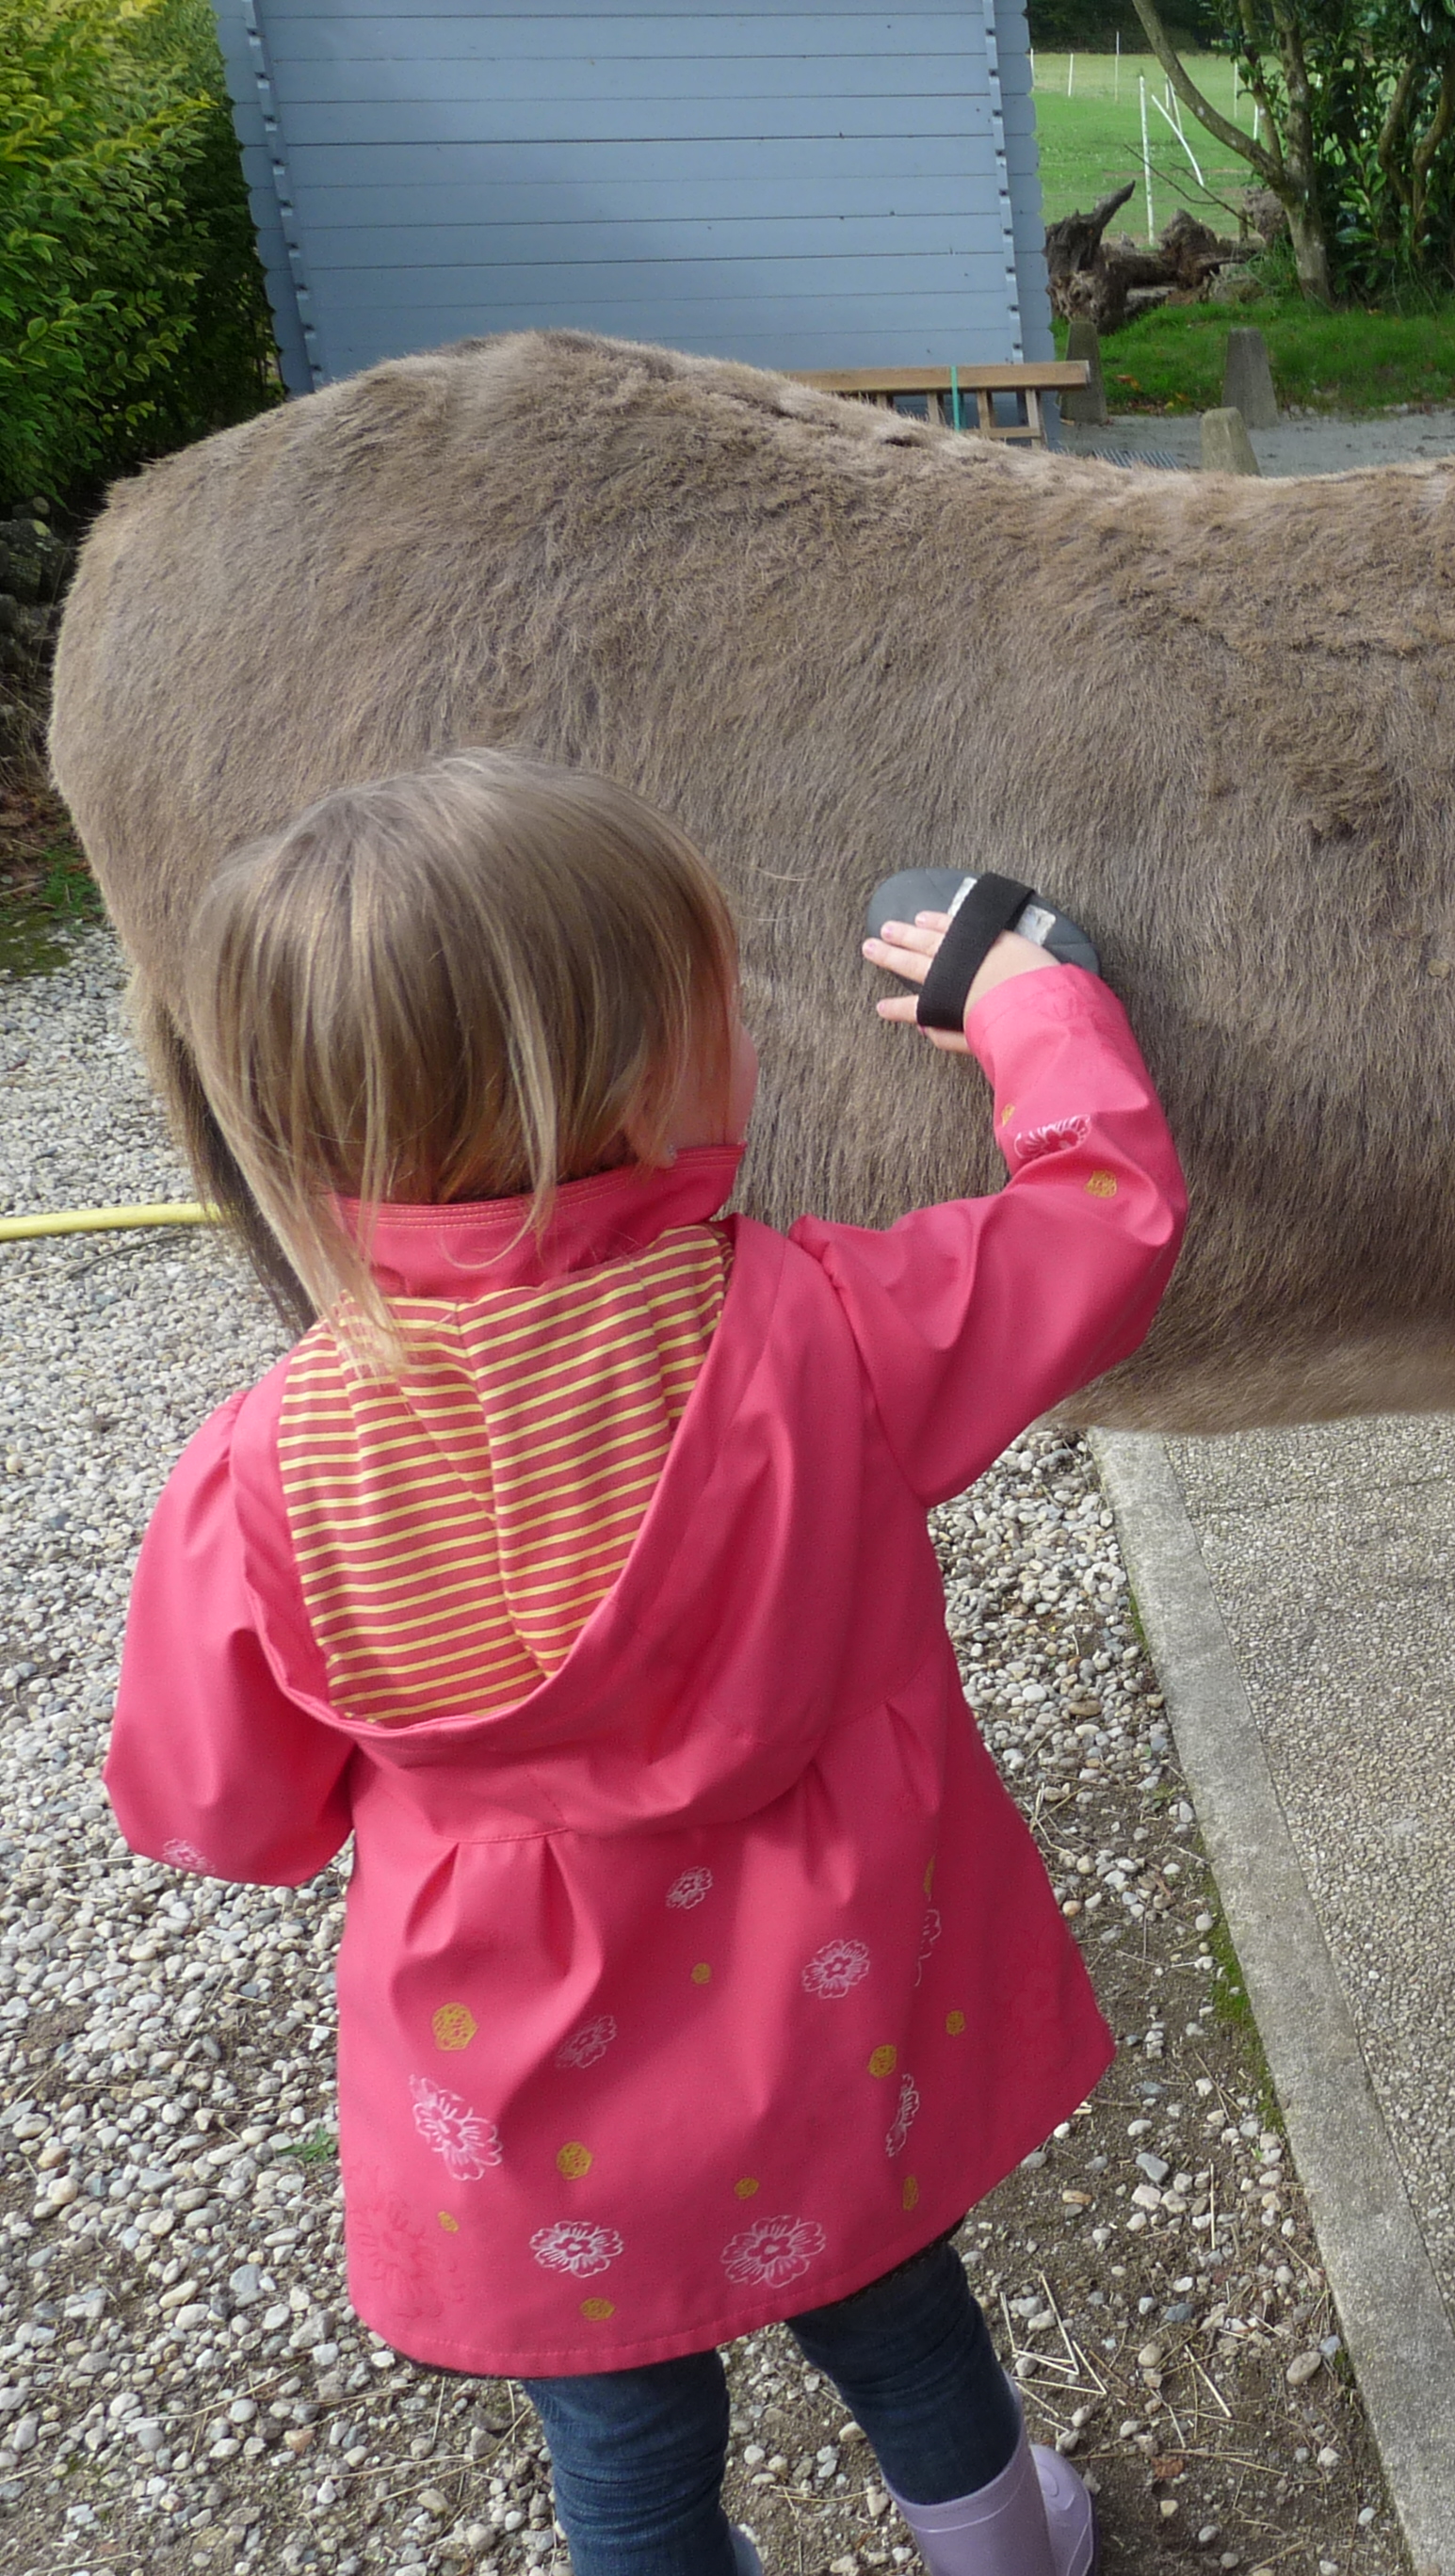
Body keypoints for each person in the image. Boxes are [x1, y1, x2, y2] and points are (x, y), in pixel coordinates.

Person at [105, 751, 1188, 2576]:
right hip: (833, 2024)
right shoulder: (826, 1331)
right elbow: (1105, 1222)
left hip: (524, 2105)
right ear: (627, 1085)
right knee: (902, 2323)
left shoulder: (255, 1476)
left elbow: (226, 1813)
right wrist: (1030, 1001)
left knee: (622, 2445)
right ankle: (1012, 2551)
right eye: (722, 1006)